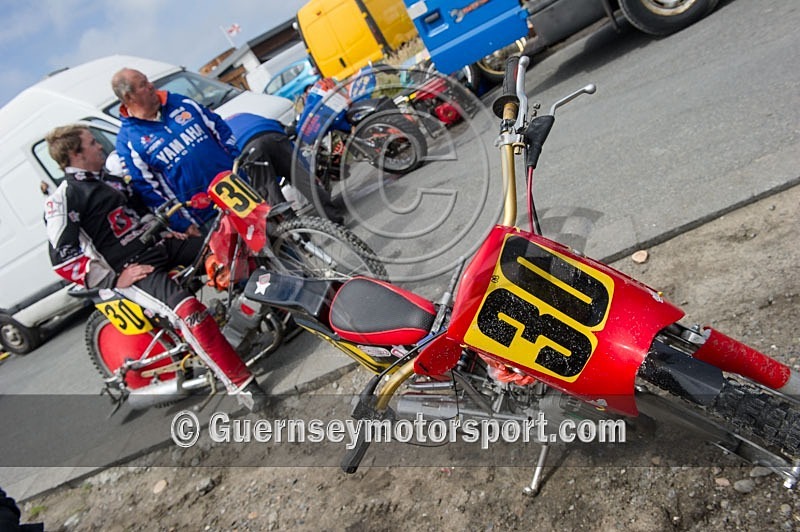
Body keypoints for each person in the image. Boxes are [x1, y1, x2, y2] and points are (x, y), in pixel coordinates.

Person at [42, 125, 267, 411]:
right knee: (189, 312)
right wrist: (114, 277)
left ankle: (271, 311)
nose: (100, 146)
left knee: (231, 245)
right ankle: (243, 386)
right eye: (91, 143)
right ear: (76, 153)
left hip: (160, 247)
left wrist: (168, 231)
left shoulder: (110, 181)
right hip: (133, 269)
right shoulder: (64, 198)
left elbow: (140, 214)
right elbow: (63, 259)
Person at [111, 68, 240, 235]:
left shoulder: (179, 102)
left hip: (237, 187)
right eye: (143, 85)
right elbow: (146, 190)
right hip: (203, 213)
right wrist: (180, 223)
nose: (151, 86)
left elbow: (219, 127)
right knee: (243, 258)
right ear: (129, 97)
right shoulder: (128, 141)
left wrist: (236, 159)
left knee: (274, 237)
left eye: (148, 80)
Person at [225, 112, 345, 223]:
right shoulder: (242, 115)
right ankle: (334, 218)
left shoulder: (221, 130)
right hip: (274, 134)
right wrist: (308, 171)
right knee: (304, 181)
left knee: (273, 195)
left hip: (250, 149)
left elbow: (237, 168)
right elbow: (285, 133)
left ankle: (299, 238)